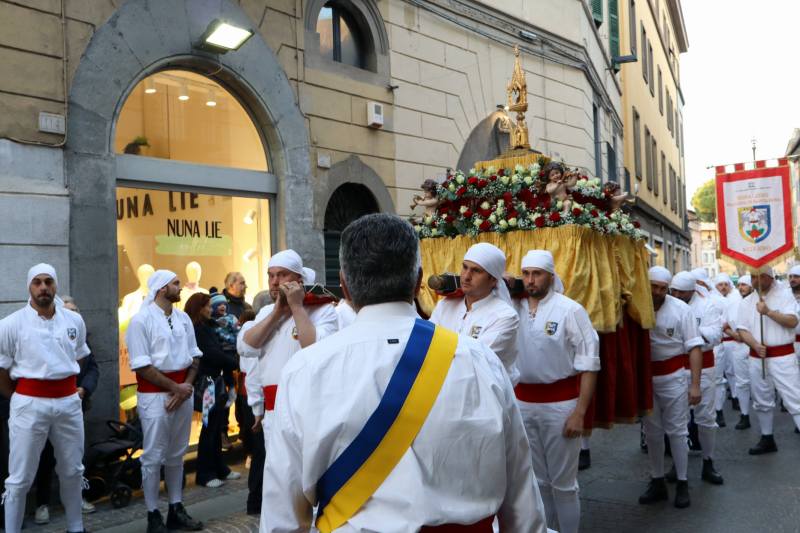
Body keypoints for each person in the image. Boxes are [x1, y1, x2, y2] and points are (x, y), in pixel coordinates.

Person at [261, 214, 548, 532]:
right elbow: (522, 499)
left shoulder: (306, 369)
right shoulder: (479, 360)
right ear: (418, 281)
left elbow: (282, 514)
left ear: (344, 284)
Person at [237, 250, 338, 519]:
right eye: (271, 275)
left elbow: (314, 349)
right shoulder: (265, 314)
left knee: (311, 478)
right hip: (274, 414)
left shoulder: (323, 311)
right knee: (280, 481)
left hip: (308, 410)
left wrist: (295, 308)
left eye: (282, 275)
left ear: (298, 278)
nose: (274, 281)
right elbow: (246, 347)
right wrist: (277, 314)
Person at [512, 249, 599, 533]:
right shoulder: (512, 307)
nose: (530, 280)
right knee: (537, 483)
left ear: (551, 275)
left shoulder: (570, 310)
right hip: (523, 404)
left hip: (561, 406)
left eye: (537, 274)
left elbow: (589, 364)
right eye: (525, 274)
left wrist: (579, 414)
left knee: (563, 484)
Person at [0, 264, 90, 533]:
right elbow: (2, 369)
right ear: (29, 286)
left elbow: (80, 356)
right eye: (37, 282)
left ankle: (76, 528)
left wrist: (69, 389)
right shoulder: (10, 324)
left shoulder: (74, 321)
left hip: (68, 403)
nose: (43, 288)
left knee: (73, 470)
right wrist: (18, 397)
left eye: (48, 282)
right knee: (19, 477)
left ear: (56, 285)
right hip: (29, 403)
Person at [125, 270, 204, 533]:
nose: (180, 287)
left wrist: (186, 387)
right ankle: (152, 514)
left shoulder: (182, 318)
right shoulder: (140, 321)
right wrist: (175, 388)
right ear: (161, 288)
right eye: (176, 283)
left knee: (176, 454)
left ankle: (175, 507)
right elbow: (142, 366)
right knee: (153, 455)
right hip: (154, 395)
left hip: (181, 391)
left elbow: (195, 356)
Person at [639, 266, 702, 509]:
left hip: (673, 377)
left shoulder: (681, 310)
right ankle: (657, 481)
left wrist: (695, 385)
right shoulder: (636, 308)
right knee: (652, 432)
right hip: (646, 379)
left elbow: (694, 347)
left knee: (677, 431)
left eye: (662, 288)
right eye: (653, 286)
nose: (657, 292)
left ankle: (683, 482)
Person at [34, 296, 99, 524]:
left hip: (75, 406)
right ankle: (42, 503)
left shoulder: (82, 339)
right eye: (68, 310)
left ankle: (76, 499)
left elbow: (92, 369)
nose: (72, 315)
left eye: (75, 311)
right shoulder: (44, 337)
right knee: (45, 458)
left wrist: (85, 388)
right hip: (47, 408)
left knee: (74, 457)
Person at [429, 242, 520, 381]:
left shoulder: (505, 316)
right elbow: (426, 345)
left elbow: (473, 362)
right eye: (465, 267)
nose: (466, 276)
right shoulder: (445, 306)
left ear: (493, 280)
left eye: (476, 271)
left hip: (485, 399)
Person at [668, 271, 724, 485]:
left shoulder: (708, 305)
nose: (677, 295)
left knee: (706, 419)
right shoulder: (667, 304)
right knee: (676, 419)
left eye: (681, 292)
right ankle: (677, 463)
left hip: (705, 367)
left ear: (692, 290)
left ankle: (708, 462)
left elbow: (715, 336)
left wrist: (689, 334)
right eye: (674, 291)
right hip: (675, 367)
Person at [736, 267, 800, 454]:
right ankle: (767, 438)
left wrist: (769, 312)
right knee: (762, 400)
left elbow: (792, 321)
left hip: (783, 356)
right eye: (753, 277)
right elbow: (742, 329)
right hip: (757, 356)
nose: (756, 281)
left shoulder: (786, 295)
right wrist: (755, 344)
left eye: (760, 277)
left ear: (769, 277)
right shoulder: (746, 302)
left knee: (794, 398)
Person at [184, 293, 240, 488]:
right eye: (207, 306)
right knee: (209, 428)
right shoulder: (199, 329)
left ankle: (219, 468)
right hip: (208, 384)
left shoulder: (206, 327)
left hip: (214, 382)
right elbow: (212, 354)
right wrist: (234, 362)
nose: (210, 309)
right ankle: (205, 473)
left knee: (215, 427)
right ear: (199, 309)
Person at [714, 274, 742, 419]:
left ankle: (736, 397)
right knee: (717, 375)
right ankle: (718, 408)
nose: (723, 287)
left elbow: (734, 319)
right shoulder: (712, 301)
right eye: (720, 284)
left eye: (725, 284)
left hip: (731, 341)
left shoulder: (734, 299)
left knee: (733, 371)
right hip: (717, 343)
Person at [729, 275, 755, 430]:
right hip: (739, 348)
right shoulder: (733, 304)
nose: (741, 288)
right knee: (742, 383)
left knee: (762, 384)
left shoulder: (761, 302)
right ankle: (744, 415)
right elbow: (724, 324)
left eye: (744, 285)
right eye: (739, 285)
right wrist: (735, 335)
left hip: (757, 347)